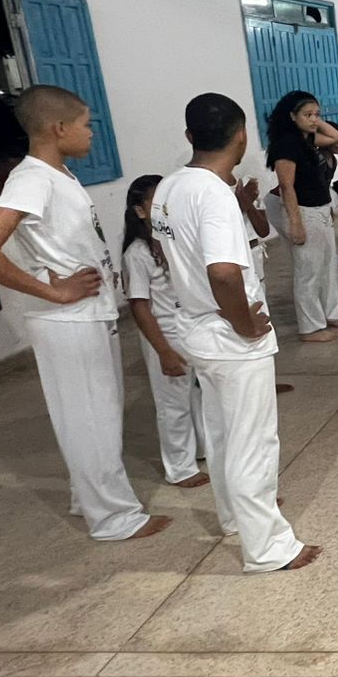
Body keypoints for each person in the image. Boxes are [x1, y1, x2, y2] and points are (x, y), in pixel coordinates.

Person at [0, 85, 169, 542]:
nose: (91, 134)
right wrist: (51, 292)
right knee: (91, 420)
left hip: (88, 315)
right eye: (85, 125)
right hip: (67, 321)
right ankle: (113, 519)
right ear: (58, 128)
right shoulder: (31, 178)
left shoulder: (58, 176)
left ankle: (88, 498)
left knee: (98, 417)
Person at [153, 93, 320, 573]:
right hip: (229, 337)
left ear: (189, 137)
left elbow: (170, 255)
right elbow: (224, 273)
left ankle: (234, 516)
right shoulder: (213, 194)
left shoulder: (169, 187)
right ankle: (268, 547)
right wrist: (244, 324)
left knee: (223, 434)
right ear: (242, 136)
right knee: (253, 443)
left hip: (194, 328)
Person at [122, 174, 208, 489]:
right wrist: (163, 350)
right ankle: (180, 467)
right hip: (166, 332)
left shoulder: (175, 241)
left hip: (191, 326)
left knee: (197, 394)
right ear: (140, 211)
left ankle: (200, 449)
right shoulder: (137, 253)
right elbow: (140, 306)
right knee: (173, 402)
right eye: (156, 203)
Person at [264, 90, 338, 343]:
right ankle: (310, 328)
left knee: (327, 265)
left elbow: (335, 137)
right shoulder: (285, 145)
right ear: (291, 116)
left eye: (317, 114)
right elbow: (287, 186)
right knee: (308, 271)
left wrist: (314, 120)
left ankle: (330, 314)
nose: (313, 119)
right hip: (304, 212)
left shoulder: (307, 139)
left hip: (321, 210)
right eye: (307, 114)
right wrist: (296, 223)